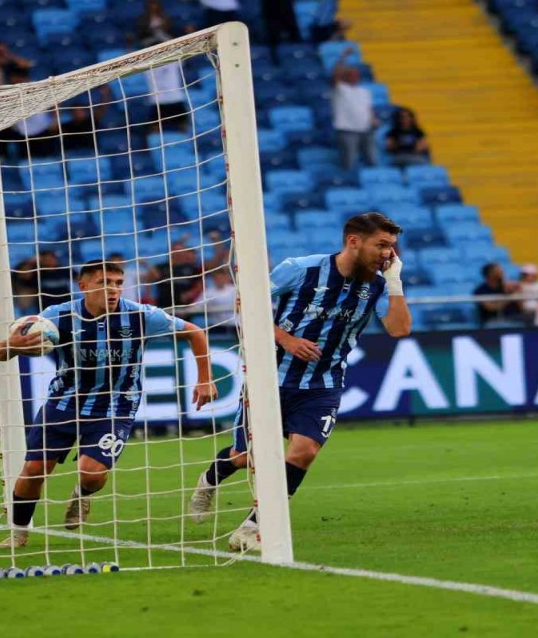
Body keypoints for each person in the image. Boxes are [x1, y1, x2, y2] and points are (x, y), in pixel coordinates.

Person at [187, 213, 411, 552]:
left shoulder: (379, 284)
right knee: (248, 456)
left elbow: (399, 329)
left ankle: (251, 526)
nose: (387, 254)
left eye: (391, 247)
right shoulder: (301, 269)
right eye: (381, 245)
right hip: (270, 378)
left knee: (304, 451)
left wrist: (395, 281)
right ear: (353, 241)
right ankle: (210, 479)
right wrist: (286, 339)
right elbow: (246, 305)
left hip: (323, 384)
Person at [0, 261, 218, 547]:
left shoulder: (141, 315)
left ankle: (82, 494)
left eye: (117, 282)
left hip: (116, 405)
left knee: (92, 473)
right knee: (34, 470)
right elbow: (1, 354)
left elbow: (195, 332)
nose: (112, 289)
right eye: (104, 282)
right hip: (64, 402)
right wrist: (10, 345)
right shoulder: (55, 317)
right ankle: (19, 532)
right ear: (83, 286)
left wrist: (205, 379)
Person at [332, 46, 378, 171]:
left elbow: (369, 108)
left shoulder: (364, 91)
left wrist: (374, 119)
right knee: (349, 161)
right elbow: (335, 73)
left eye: (356, 74)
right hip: (348, 130)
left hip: (366, 129)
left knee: (372, 159)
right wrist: (343, 57)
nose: (354, 77)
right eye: (351, 74)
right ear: (345, 76)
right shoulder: (340, 89)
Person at [153, 242, 204, 313]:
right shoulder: (160, 267)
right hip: (164, 307)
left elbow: (200, 286)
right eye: (175, 250)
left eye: (180, 251)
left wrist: (189, 294)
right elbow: (149, 281)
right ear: (170, 252)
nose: (178, 253)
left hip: (183, 308)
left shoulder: (191, 268)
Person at [147, 58, 190, 133]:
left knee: (184, 128)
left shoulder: (172, 61)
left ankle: (187, 144)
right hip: (158, 101)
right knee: (154, 131)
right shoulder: (147, 64)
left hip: (175, 99)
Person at [473, 262, 522, 326]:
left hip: (513, 318)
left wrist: (516, 291)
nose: (502, 271)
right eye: (498, 270)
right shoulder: (480, 290)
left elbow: (520, 306)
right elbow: (490, 307)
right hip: (492, 320)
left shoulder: (506, 287)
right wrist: (509, 298)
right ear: (490, 274)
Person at [202, 268, 239, 333]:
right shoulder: (208, 293)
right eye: (217, 278)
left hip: (236, 324)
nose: (220, 280)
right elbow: (196, 307)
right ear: (214, 279)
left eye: (222, 277)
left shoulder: (234, 289)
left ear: (226, 278)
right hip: (218, 325)